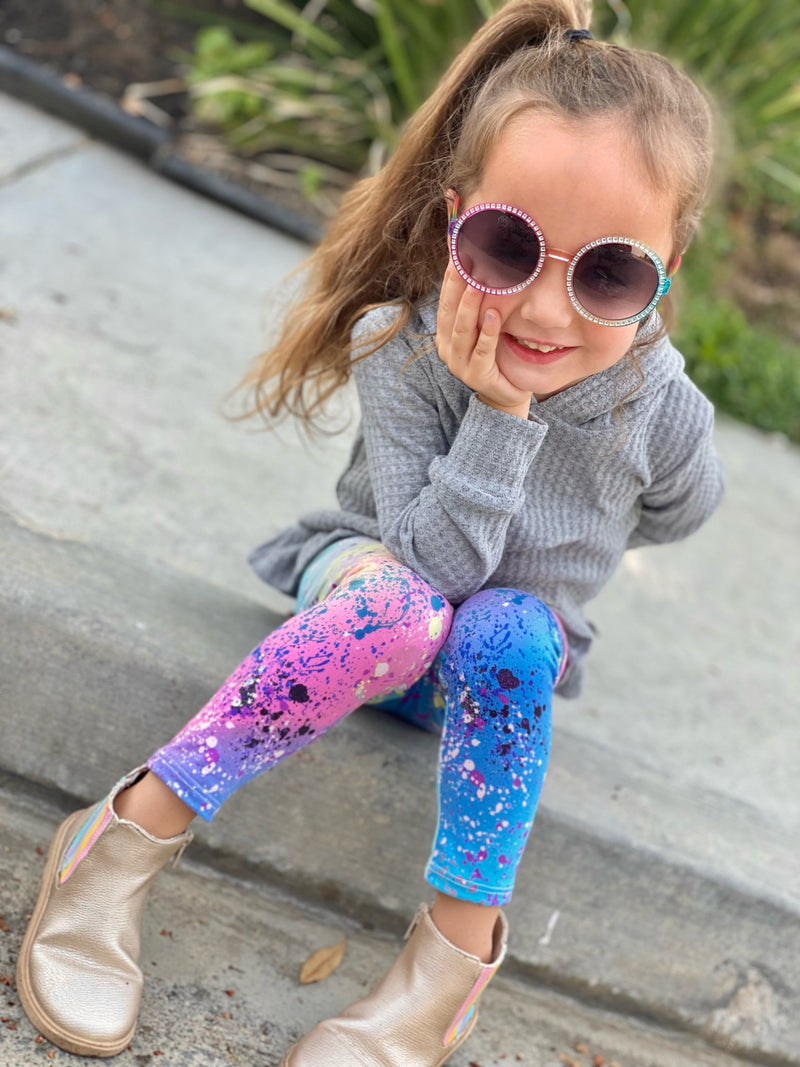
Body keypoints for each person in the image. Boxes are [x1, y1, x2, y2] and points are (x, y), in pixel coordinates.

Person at [16, 0, 725, 1062]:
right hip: (365, 607)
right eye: (506, 246)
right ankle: (117, 839)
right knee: (405, 605)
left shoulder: (657, 405)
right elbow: (428, 563)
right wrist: (499, 417)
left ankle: (445, 966)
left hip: (481, 673)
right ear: (453, 219)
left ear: (665, 277)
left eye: (608, 273)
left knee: (517, 630)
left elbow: (683, 508)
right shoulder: (400, 346)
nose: (541, 311)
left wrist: (623, 429)